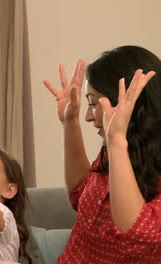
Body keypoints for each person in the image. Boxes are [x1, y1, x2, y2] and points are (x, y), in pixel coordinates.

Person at [43, 45, 161, 263]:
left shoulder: (118, 146)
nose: (88, 117)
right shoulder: (115, 150)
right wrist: (69, 122)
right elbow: (79, 195)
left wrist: (116, 140)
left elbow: (137, 234)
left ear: (127, 105)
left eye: (94, 104)